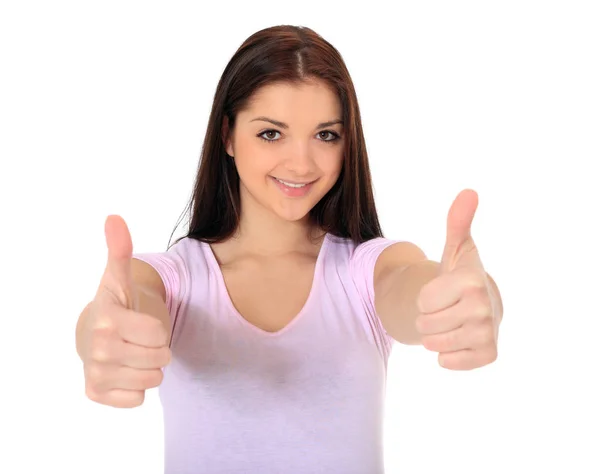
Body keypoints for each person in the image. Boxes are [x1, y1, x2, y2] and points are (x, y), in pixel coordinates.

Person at [75, 25, 503, 474]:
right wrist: (100, 335)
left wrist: (477, 298)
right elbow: (126, 308)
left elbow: (415, 285)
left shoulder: (362, 270)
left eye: (326, 135)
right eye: (271, 134)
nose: (301, 163)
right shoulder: (176, 279)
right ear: (227, 135)